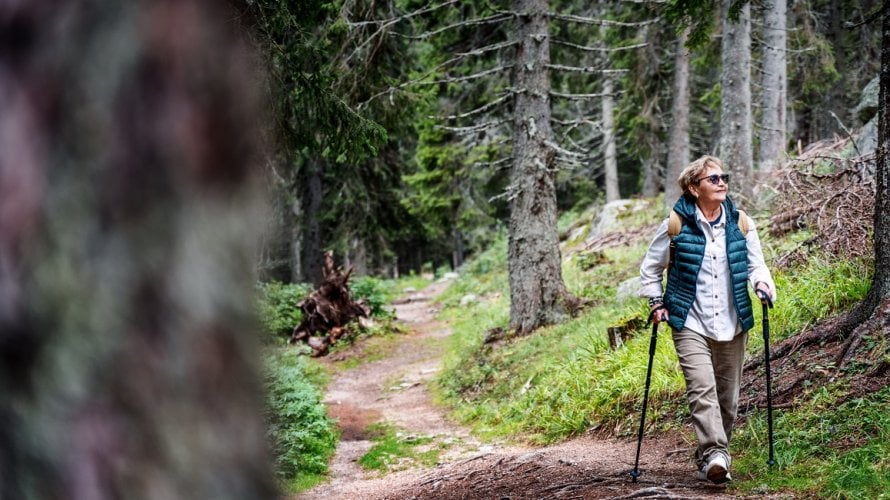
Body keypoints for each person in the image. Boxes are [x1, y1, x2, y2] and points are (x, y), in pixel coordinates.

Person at [639, 155, 776, 484]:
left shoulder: (740, 221)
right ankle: (716, 453)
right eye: (713, 179)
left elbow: (757, 264)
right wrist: (657, 301)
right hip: (689, 320)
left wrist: (762, 284)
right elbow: (650, 268)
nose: (722, 183)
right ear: (692, 187)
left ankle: (710, 457)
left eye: (723, 177)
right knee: (702, 389)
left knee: (727, 399)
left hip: (733, 319)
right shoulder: (676, 223)